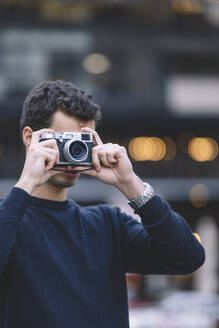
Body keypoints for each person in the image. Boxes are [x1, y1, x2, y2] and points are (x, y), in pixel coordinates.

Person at [0, 80, 205, 328]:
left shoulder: (108, 224)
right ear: (30, 138)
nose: (74, 154)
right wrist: (26, 184)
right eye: (65, 141)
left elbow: (188, 257)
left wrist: (130, 183)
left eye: (82, 144)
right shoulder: (8, 219)